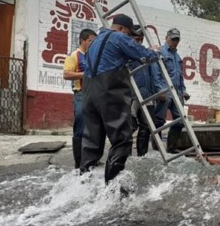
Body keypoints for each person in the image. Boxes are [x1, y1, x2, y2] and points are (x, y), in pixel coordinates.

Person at [79, 14, 159, 187]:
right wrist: (155, 52)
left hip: (89, 92)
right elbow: (144, 55)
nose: (130, 38)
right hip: (109, 91)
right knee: (122, 138)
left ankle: (84, 183)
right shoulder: (119, 37)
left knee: (92, 139)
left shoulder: (95, 40)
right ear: (122, 29)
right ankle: (113, 186)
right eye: (130, 34)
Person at [128, 26, 166, 156]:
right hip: (132, 95)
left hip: (147, 95)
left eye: (141, 38)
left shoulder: (145, 52)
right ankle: (125, 156)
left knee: (147, 126)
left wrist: (156, 91)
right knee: (130, 126)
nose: (139, 40)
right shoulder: (128, 51)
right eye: (136, 38)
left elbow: (153, 71)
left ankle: (142, 156)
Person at [63, 28, 96, 169]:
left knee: (94, 127)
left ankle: (92, 160)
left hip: (94, 94)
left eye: (94, 41)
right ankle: (79, 163)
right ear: (82, 40)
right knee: (81, 125)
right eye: (90, 41)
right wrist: (84, 74)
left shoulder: (94, 56)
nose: (92, 44)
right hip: (81, 94)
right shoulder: (74, 55)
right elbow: (66, 74)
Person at [153, 28, 190, 153]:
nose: (174, 42)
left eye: (176, 40)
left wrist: (183, 91)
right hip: (165, 92)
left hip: (177, 93)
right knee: (159, 121)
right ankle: (157, 150)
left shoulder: (177, 57)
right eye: (172, 39)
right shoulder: (160, 53)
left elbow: (180, 76)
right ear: (166, 38)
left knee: (180, 121)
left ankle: (171, 148)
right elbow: (156, 73)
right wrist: (160, 90)